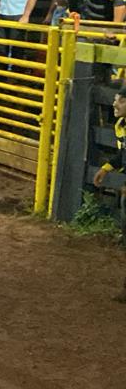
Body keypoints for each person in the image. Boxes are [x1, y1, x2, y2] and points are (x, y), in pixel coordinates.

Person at [92, 86, 126, 303]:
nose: (115, 104)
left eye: (120, 101)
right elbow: (123, 155)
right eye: (116, 100)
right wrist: (106, 168)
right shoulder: (121, 126)